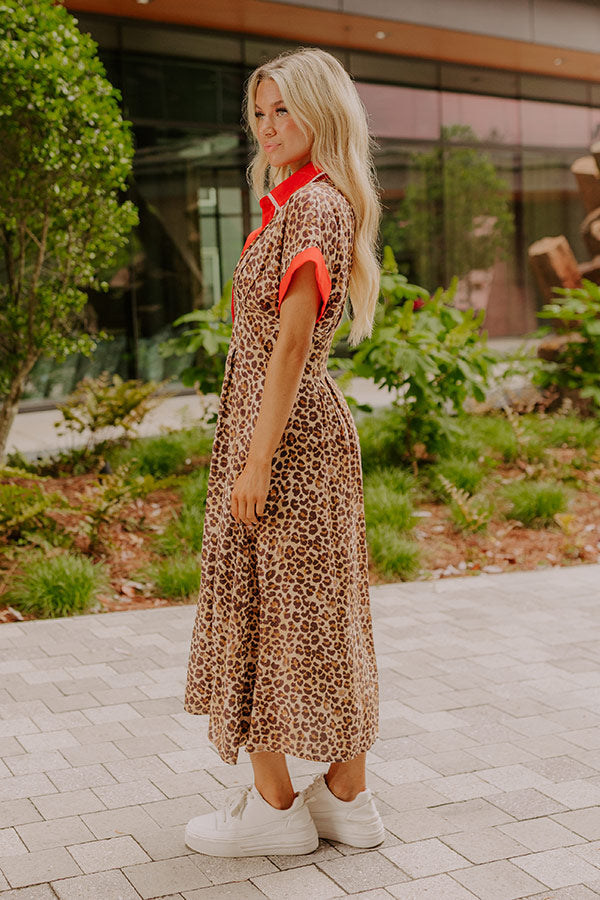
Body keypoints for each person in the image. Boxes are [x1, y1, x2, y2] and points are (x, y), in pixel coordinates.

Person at [183, 46, 383, 858]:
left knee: (264, 609)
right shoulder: (305, 201)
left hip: (286, 443)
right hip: (292, 437)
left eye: (283, 111)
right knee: (314, 612)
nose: (267, 127)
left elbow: (292, 343)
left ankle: (276, 807)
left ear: (320, 113)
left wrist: (258, 459)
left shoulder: (313, 205)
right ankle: (345, 798)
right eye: (259, 113)